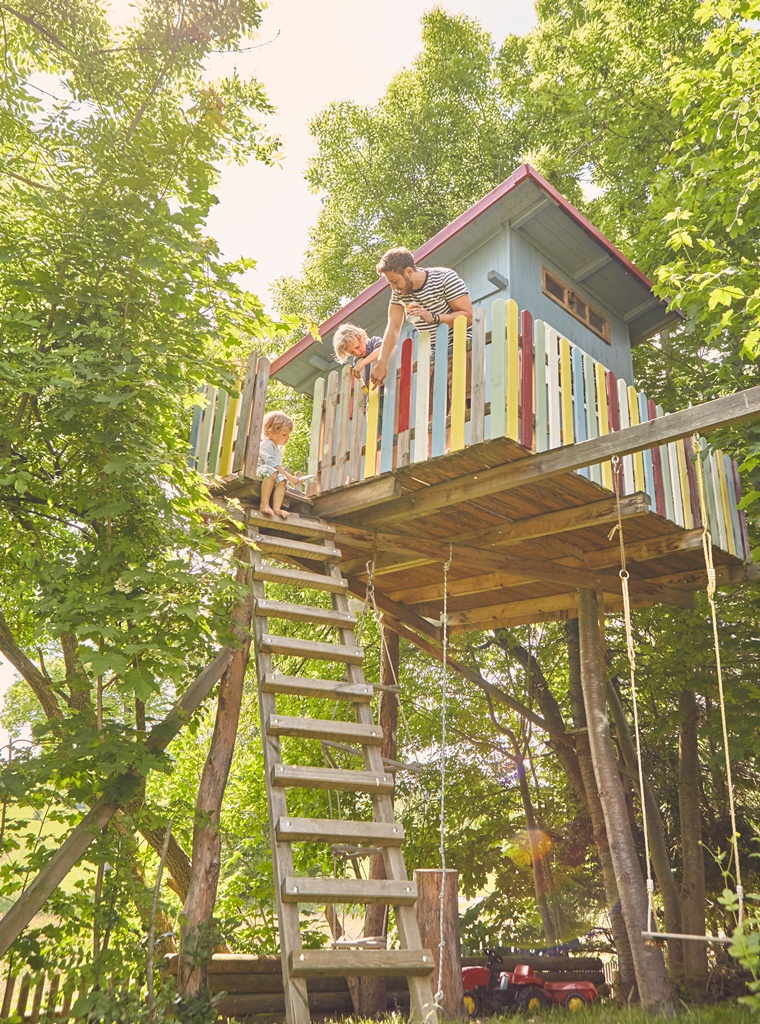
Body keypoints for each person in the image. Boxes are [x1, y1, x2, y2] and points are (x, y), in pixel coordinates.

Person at [370, 247, 473, 388]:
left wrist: (434, 317)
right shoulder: (399, 293)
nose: (394, 288)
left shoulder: (444, 278)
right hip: (435, 353)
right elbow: (393, 326)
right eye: (390, 284)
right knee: (431, 407)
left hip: (463, 345)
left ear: (409, 272)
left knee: (462, 404)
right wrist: (382, 362)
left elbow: (467, 317)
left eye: (395, 281)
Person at [257, 411, 303, 518]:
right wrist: (290, 477)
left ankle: (276, 509)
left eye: (288, 434)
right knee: (273, 473)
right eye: (284, 434)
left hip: (271, 473)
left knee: (282, 479)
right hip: (260, 470)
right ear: (271, 432)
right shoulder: (266, 444)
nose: (287, 437)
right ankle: (264, 504)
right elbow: (271, 463)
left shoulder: (277, 450)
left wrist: (286, 477)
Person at [333, 323, 382, 391]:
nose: (357, 352)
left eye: (357, 347)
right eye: (352, 352)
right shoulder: (356, 361)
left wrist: (363, 363)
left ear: (361, 337)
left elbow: (381, 350)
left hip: (387, 386)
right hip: (372, 395)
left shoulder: (373, 342)